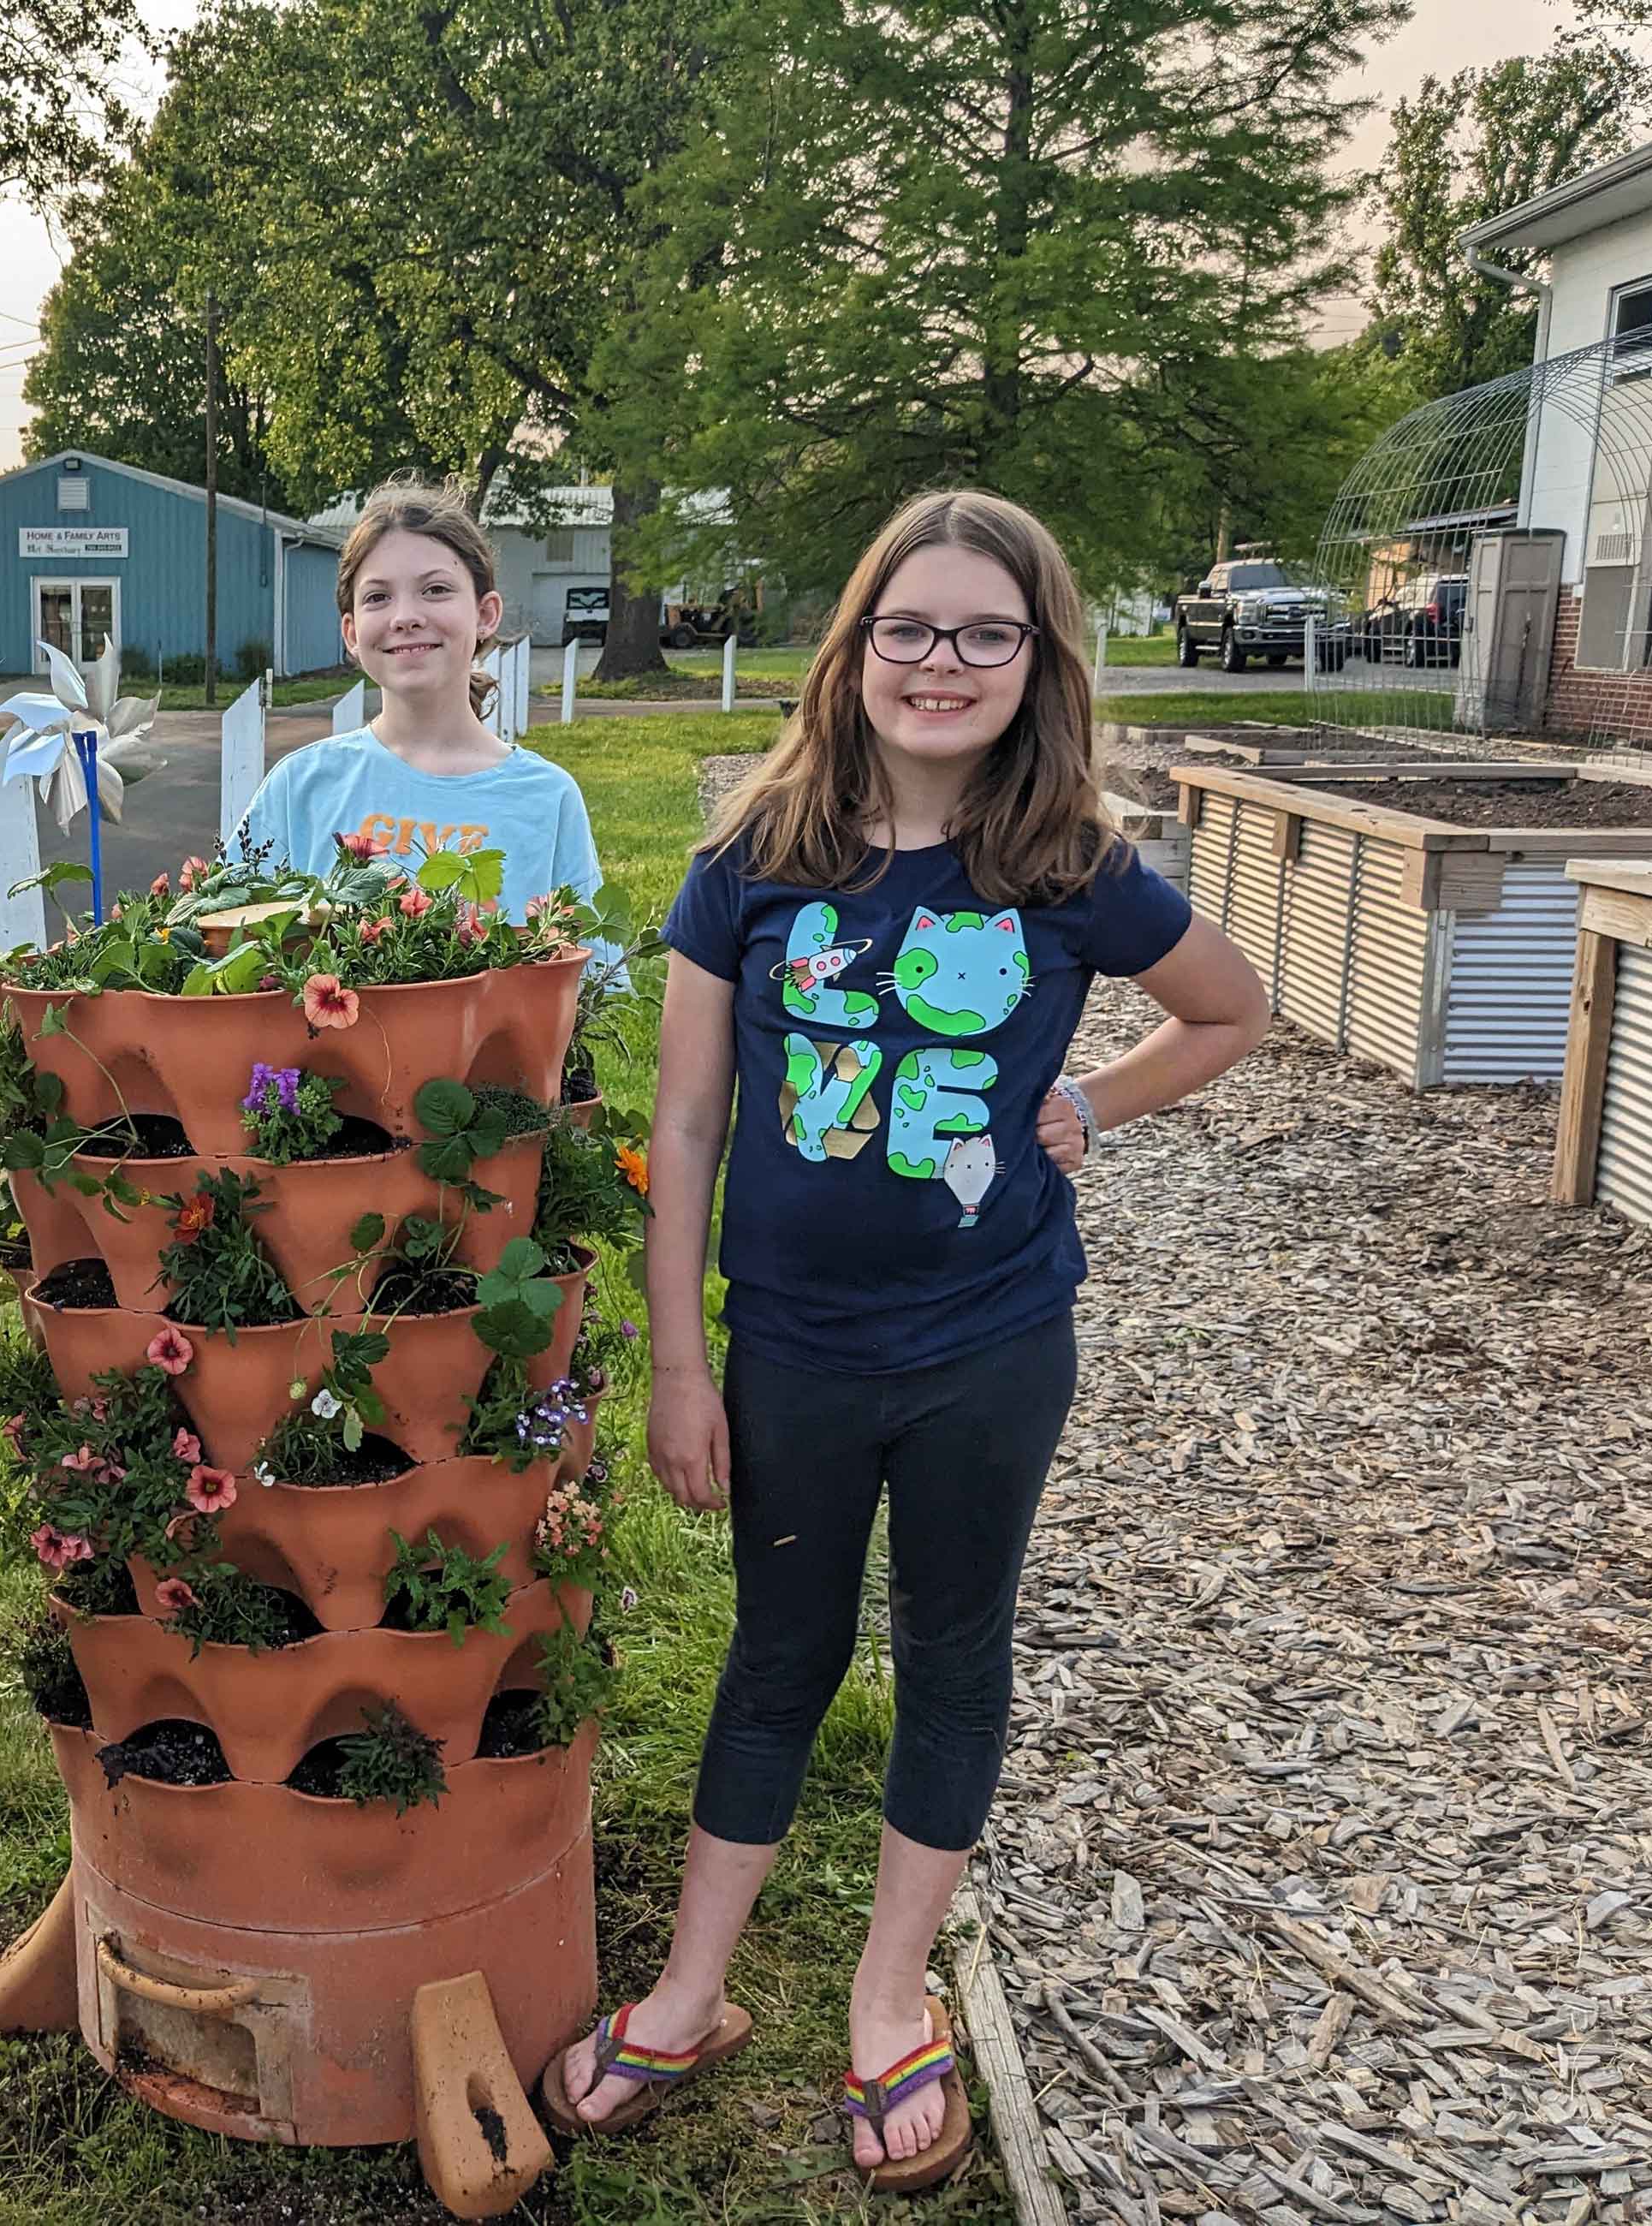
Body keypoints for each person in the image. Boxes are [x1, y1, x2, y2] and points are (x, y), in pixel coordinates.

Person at [544, 491, 1269, 2193]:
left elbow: (1227, 1007)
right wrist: (675, 1357)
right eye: (908, 627)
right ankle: (690, 1988)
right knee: (774, 1659)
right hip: (792, 1349)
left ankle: (885, 1996)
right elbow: (690, 1118)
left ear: (1033, 662)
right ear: (853, 641)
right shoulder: (751, 858)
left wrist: (1088, 1095)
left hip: (988, 1344)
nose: (939, 661)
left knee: (950, 1655)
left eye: (982, 633)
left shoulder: (1063, 863)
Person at [235, 480, 604, 925]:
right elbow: (221, 951)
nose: (405, 616)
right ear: (352, 633)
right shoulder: (301, 787)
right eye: (378, 597)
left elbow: (594, 978)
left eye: (435, 590)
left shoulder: (547, 798)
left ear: (485, 614)